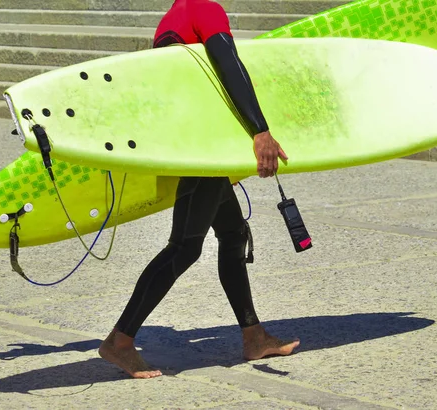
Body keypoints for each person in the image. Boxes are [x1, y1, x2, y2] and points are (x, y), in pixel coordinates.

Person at [99, 0, 300, 379]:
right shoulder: (203, 8)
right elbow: (228, 64)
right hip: (198, 149)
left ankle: (254, 336)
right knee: (184, 248)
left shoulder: (174, 16)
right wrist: (259, 130)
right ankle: (120, 341)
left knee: (232, 233)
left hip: (194, 142)